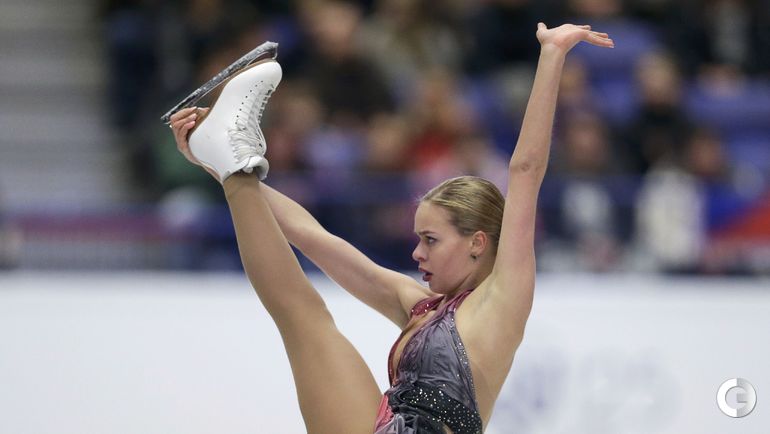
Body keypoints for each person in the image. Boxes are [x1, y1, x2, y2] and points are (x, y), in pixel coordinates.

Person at [168, 22, 613, 434]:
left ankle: (232, 159)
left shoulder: (503, 300)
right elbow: (311, 235)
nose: (417, 253)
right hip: (386, 423)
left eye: (431, 240)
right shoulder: (418, 306)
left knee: (303, 314)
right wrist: (216, 164)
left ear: (478, 243)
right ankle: (232, 158)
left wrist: (552, 55)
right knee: (306, 315)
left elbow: (526, 170)